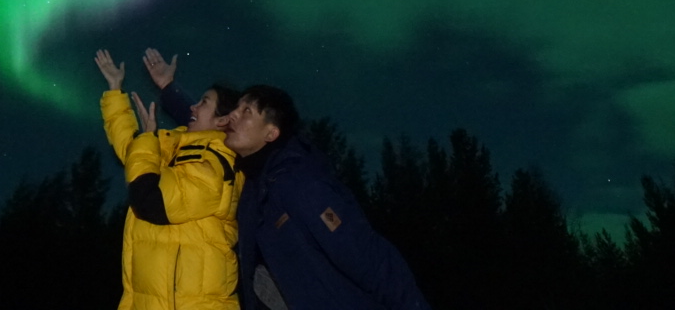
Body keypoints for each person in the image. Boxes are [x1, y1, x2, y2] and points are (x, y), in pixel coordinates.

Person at [222, 85, 431, 310]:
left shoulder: (297, 182)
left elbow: (366, 256)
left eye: (247, 111)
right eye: (236, 107)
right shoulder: (254, 192)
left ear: (271, 133)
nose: (233, 114)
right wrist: (176, 93)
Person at [97, 49, 244, 310]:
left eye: (203, 102)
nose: (192, 107)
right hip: (149, 298)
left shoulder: (220, 164)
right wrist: (114, 91)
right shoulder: (177, 142)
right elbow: (136, 158)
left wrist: (148, 139)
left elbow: (153, 200)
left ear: (222, 120)